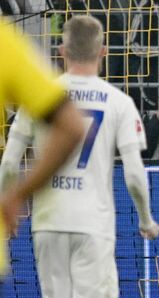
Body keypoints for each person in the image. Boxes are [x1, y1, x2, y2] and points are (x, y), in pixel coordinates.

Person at [0, 15, 159, 298]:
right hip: (94, 221)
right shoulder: (119, 102)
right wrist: (146, 219)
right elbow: (135, 175)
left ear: (61, 51)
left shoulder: (44, 94)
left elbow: (8, 162)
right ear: (103, 52)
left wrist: (11, 200)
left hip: (48, 218)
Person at [0, 17, 86, 276]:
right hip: (87, 215)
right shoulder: (5, 43)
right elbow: (72, 127)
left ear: (63, 51)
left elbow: (9, 162)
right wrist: (17, 195)